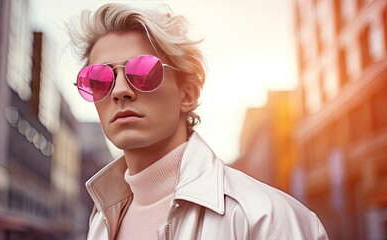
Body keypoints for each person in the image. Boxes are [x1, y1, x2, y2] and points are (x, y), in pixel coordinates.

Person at [69, 3, 329, 240]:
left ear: (188, 94)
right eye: (99, 80)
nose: (119, 91)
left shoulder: (266, 220)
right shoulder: (102, 220)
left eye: (143, 72)